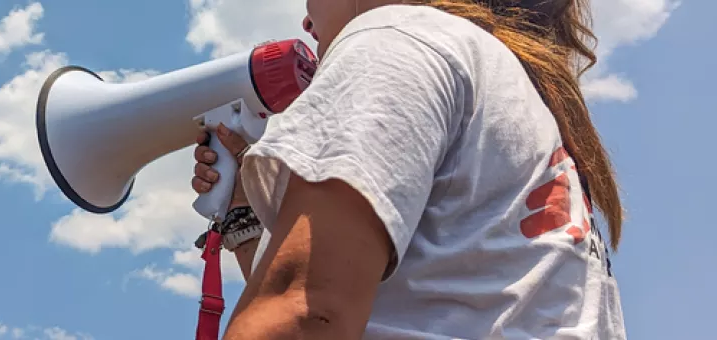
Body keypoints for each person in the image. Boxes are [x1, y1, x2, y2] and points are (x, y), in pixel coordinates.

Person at [190, 0, 627, 338]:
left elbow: (306, 312)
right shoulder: (522, 104)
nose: (306, 22)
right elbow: (363, 297)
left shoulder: (394, 38)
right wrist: (243, 214)